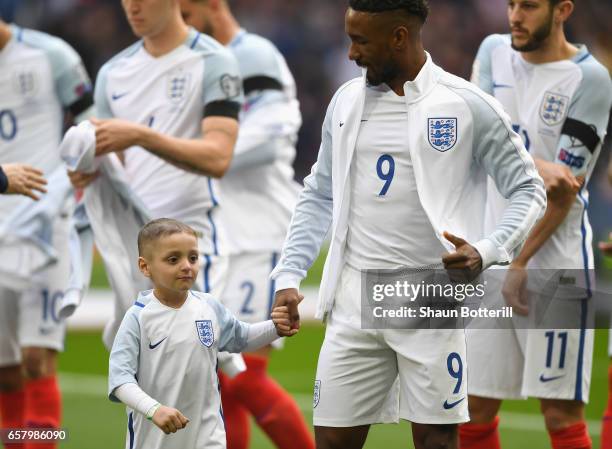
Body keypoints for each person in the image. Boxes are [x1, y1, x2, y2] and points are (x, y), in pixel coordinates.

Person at [270, 1, 546, 448]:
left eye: (360, 40)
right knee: (332, 443)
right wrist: (289, 273)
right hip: (353, 301)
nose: (350, 54)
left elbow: (528, 189)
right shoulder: (344, 101)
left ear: (399, 36)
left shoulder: (466, 104)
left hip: (429, 300)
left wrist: (488, 249)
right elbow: (319, 193)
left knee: (436, 443)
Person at [461, 0, 612, 448]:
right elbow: (473, 135)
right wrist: (533, 164)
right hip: (492, 255)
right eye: (510, 3)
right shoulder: (492, 51)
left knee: (560, 414)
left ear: (562, 10)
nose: (514, 16)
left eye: (528, 5)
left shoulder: (591, 79)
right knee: (474, 408)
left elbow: (564, 189)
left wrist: (522, 262)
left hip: (554, 264)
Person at [68, 0, 244, 349]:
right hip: (137, 248)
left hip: (191, 242)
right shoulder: (112, 73)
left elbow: (218, 156)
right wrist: (86, 170)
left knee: (190, 366)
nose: (132, 6)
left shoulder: (213, 61)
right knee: (147, 377)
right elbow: (110, 161)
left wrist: (140, 135)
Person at [178, 1, 313, 448]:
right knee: (219, 381)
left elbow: (263, 140)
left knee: (242, 375)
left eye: (183, 12)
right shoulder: (197, 60)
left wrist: (184, 150)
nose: (177, 25)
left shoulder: (253, 55)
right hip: (224, 237)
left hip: (261, 236)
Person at [108, 218, 298, 449]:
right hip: (155, 439)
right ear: (145, 266)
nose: (187, 265)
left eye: (193, 257)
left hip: (208, 437)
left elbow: (242, 338)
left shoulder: (208, 307)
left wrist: (276, 327)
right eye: (173, 259)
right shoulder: (137, 318)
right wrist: (154, 410)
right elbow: (120, 381)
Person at [0, 17, 94, 449]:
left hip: (45, 230)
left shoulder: (51, 56)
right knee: (6, 372)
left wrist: (81, 165)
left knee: (37, 360)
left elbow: (92, 125)